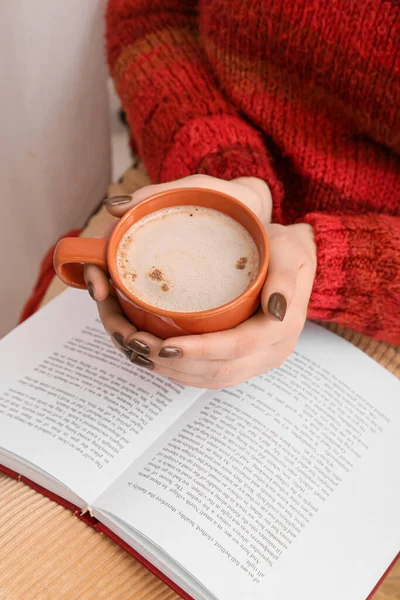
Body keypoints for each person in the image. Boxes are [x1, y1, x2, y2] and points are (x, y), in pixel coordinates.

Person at [85, 0, 400, 389]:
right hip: (188, 178)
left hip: (378, 288)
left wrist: (343, 264)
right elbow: (150, 14)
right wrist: (233, 180)